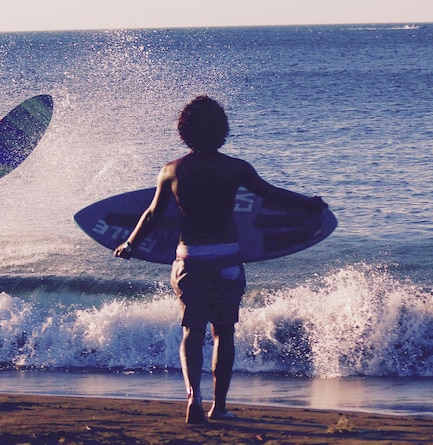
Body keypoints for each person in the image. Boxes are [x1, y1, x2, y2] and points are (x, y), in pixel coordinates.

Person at [114, 95, 325, 424]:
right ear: (222, 130)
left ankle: (193, 398)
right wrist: (307, 203)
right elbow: (272, 195)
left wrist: (130, 244)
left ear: (184, 131)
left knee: (192, 331)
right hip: (226, 257)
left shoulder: (173, 170)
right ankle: (220, 406)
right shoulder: (235, 168)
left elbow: (153, 214)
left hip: (189, 259)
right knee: (223, 333)